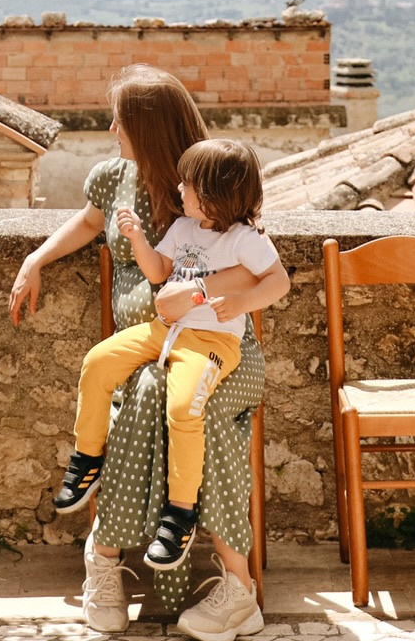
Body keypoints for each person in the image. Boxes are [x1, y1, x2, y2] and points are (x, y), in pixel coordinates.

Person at [9, 68, 288, 641]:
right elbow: (88, 224)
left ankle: (191, 575)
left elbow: (252, 265)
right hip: (153, 347)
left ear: (149, 127)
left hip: (219, 349)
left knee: (180, 402)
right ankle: (113, 563)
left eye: (122, 119)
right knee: (146, 390)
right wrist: (36, 259)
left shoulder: (205, 177)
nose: (112, 128)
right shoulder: (114, 179)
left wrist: (198, 293)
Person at [55, 139, 287, 573]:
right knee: (98, 363)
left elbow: (278, 281)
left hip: (212, 345)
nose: (179, 188)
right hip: (163, 332)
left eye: (189, 183)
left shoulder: (245, 239)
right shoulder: (182, 229)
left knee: (185, 408)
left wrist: (241, 304)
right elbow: (159, 273)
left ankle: (180, 513)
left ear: (214, 194)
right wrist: (137, 237)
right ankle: (87, 459)